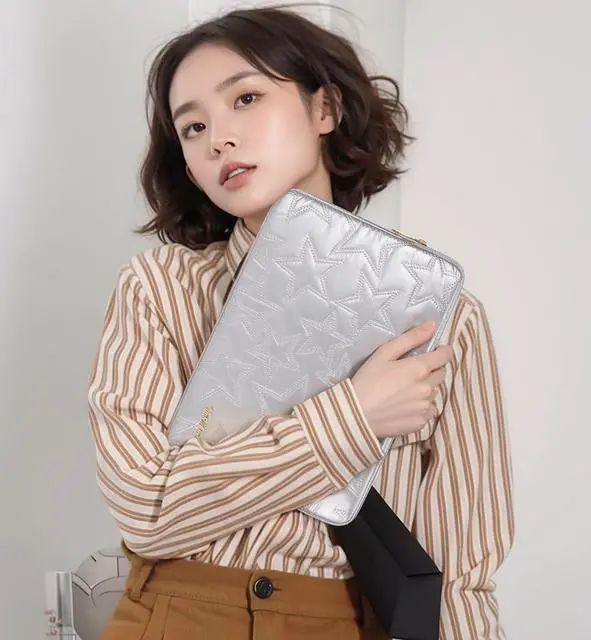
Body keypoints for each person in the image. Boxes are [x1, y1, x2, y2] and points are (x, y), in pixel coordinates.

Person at [88, 5, 514, 639]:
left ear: (325, 109)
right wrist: (355, 417)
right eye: (193, 127)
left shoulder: (445, 320)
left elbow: (460, 576)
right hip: (173, 615)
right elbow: (147, 511)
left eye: (246, 98)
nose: (218, 140)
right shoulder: (158, 288)